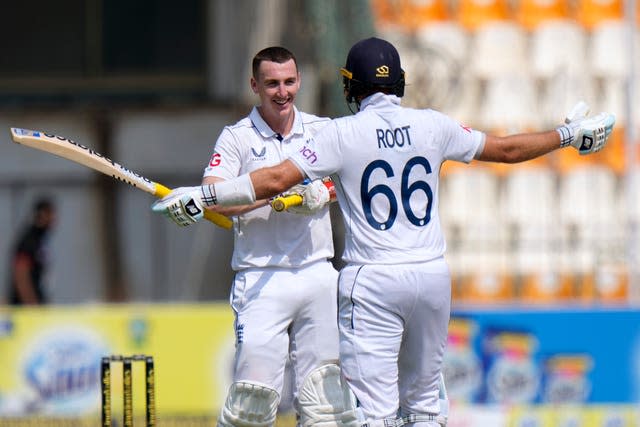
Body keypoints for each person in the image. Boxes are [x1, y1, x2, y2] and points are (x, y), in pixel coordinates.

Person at [153, 37, 615, 426]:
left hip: (372, 280)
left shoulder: (341, 133)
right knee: (426, 408)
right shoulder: (432, 124)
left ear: (351, 86)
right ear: (400, 82)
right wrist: (569, 133)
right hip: (432, 277)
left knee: (371, 414)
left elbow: (275, 180)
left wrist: (205, 197)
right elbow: (509, 149)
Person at [177, 46, 358, 426]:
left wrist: (321, 192)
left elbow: (352, 180)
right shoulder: (236, 138)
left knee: (327, 403)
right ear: (254, 85)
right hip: (261, 278)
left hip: (317, 273)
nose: (282, 92)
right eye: (272, 83)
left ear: (299, 82)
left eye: (289, 82)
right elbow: (214, 196)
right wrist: (278, 195)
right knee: (251, 403)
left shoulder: (322, 130)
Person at [7, 197, 56, 305]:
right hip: (26, 310)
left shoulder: (41, 240)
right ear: (42, 214)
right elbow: (21, 275)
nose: (54, 219)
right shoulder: (29, 240)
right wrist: (31, 305)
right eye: (50, 214)